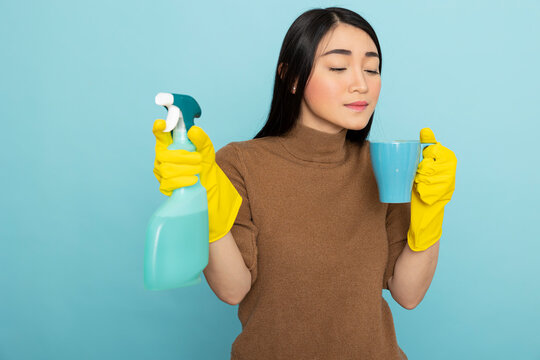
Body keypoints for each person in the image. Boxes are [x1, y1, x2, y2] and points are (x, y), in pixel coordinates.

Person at [152, 7, 457, 360]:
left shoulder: (385, 163)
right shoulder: (238, 163)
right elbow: (232, 289)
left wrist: (432, 211)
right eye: (338, 67)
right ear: (292, 77)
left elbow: (408, 294)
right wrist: (202, 198)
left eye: (372, 69)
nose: (361, 83)